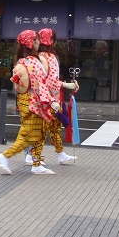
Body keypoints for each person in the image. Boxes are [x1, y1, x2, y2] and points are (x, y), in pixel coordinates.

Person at [0, 30, 60, 175]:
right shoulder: (35, 62)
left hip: (23, 101)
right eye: (36, 40)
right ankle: (5, 156)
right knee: (30, 135)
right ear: (30, 43)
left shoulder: (21, 61)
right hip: (34, 103)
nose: (38, 42)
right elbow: (40, 86)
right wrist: (51, 101)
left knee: (35, 134)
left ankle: (36, 164)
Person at [24, 28, 78, 166]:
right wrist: (66, 85)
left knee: (53, 127)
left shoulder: (37, 56)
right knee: (45, 128)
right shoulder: (50, 57)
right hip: (50, 100)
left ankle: (60, 154)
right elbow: (51, 82)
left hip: (40, 98)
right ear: (52, 41)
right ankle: (31, 155)